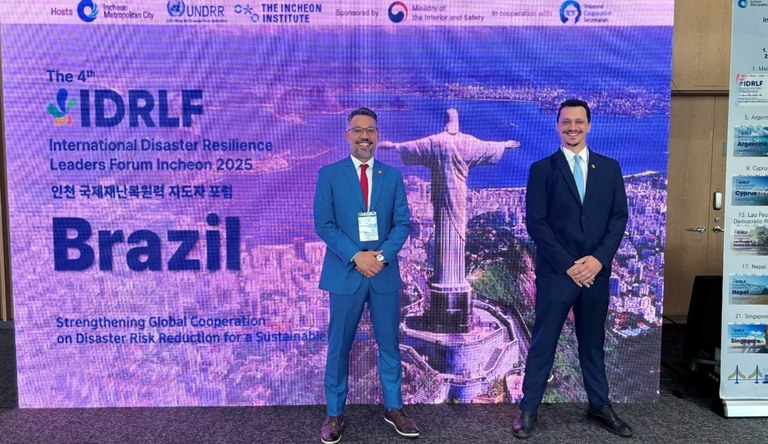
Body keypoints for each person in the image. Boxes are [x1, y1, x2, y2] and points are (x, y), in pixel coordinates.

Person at [513, 99, 631, 439]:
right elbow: (535, 223)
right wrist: (569, 265)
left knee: (592, 343)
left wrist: (597, 260)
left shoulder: (609, 169)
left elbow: (618, 217)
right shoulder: (542, 169)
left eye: (579, 122)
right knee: (543, 342)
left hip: (596, 272)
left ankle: (600, 405)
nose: (573, 127)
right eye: (566, 122)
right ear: (557, 126)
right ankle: (528, 409)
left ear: (589, 126)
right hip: (556, 273)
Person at [314, 107, 418, 443]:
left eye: (370, 130)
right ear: (347, 135)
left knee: (389, 345)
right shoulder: (329, 175)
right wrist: (357, 256)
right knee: (339, 346)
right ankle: (334, 413)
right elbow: (324, 224)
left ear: (378, 135)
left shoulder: (393, 176)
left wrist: (381, 257)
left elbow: (402, 223)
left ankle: (394, 408)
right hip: (346, 274)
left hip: (383, 274)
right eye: (358, 130)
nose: (364, 136)